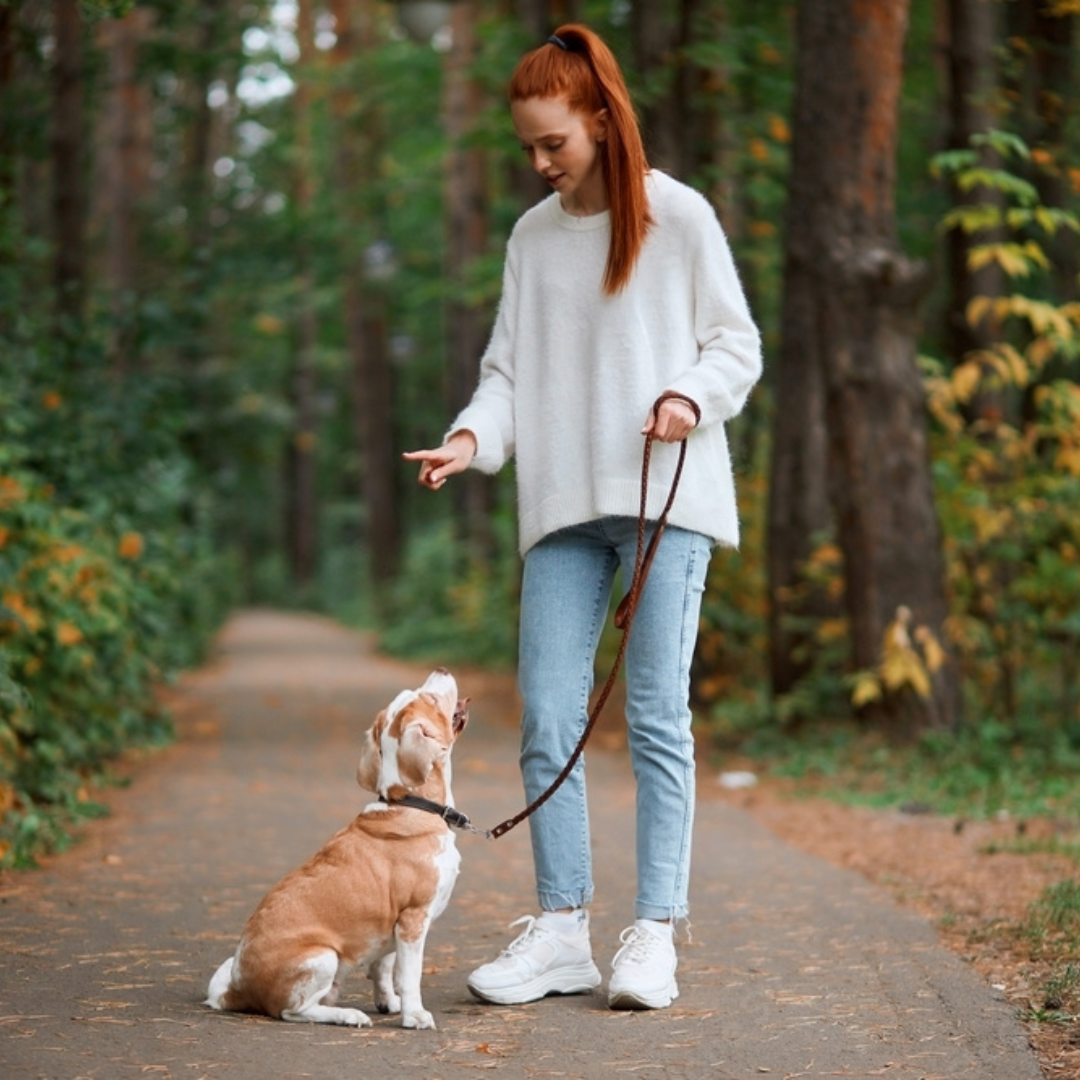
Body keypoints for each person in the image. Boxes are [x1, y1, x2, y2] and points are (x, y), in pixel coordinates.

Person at [403, 23, 761, 1011]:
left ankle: (654, 933)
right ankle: (563, 928)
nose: (539, 162)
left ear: (600, 120)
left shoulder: (677, 217)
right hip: (562, 505)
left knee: (654, 717)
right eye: (526, 146)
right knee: (548, 719)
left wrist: (690, 394)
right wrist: (470, 440)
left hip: (664, 500)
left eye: (552, 142)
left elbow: (736, 343)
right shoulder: (532, 237)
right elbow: (507, 375)